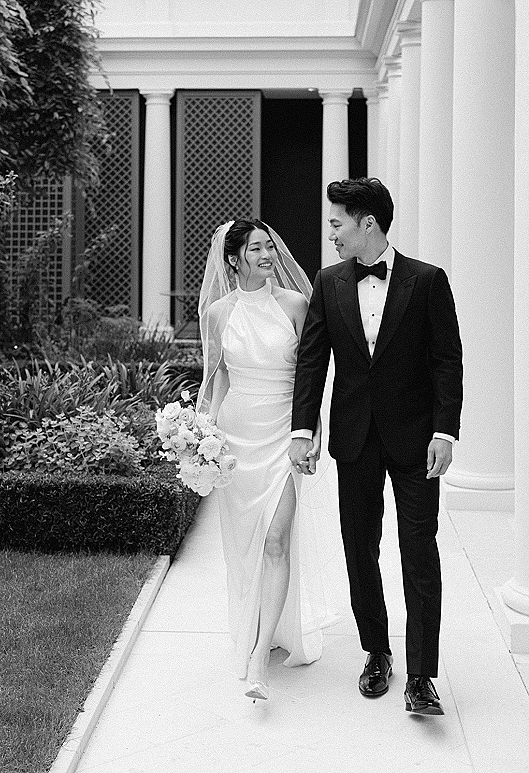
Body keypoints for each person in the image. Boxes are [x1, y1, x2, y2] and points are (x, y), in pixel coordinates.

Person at [289, 178, 463, 715]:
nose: (331, 234)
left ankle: (421, 676)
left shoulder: (428, 281)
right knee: (359, 549)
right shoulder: (328, 281)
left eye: (337, 223)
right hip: (354, 438)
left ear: (368, 222)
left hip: (417, 442)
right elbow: (313, 360)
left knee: (419, 553)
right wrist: (302, 430)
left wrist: (445, 431)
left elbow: (446, 360)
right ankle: (376, 652)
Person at [196, 219, 338, 701]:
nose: (268, 254)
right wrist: (203, 433)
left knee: (277, 538)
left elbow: (312, 374)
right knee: (247, 545)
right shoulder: (218, 313)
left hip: (283, 433)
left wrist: (312, 431)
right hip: (237, 439)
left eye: (269, 247)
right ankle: (259, 626)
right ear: (233, 259)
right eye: (256, 248)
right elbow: (218, 378)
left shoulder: (295, 304)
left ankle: (259, 658)